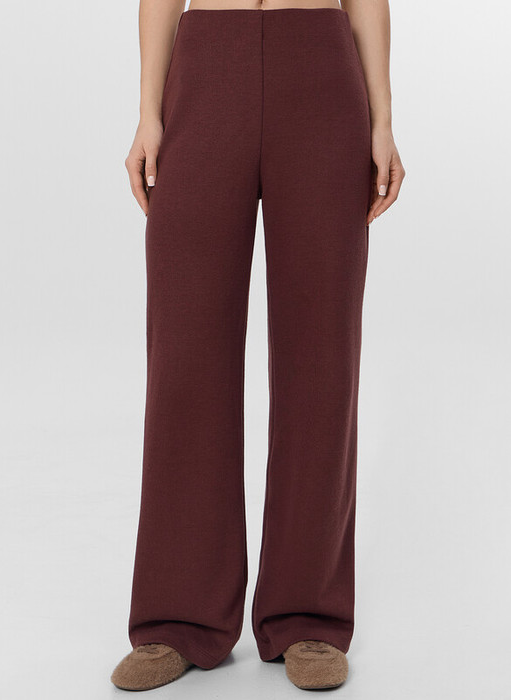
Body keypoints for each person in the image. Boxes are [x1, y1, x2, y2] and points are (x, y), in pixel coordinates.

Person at [111, 0, 405, 691]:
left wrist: (383, 118)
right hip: (206, 65)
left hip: (322, 71)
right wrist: (149, 111)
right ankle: (177, 618)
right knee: (185, 355)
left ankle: (308, 615)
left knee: (322, 356)